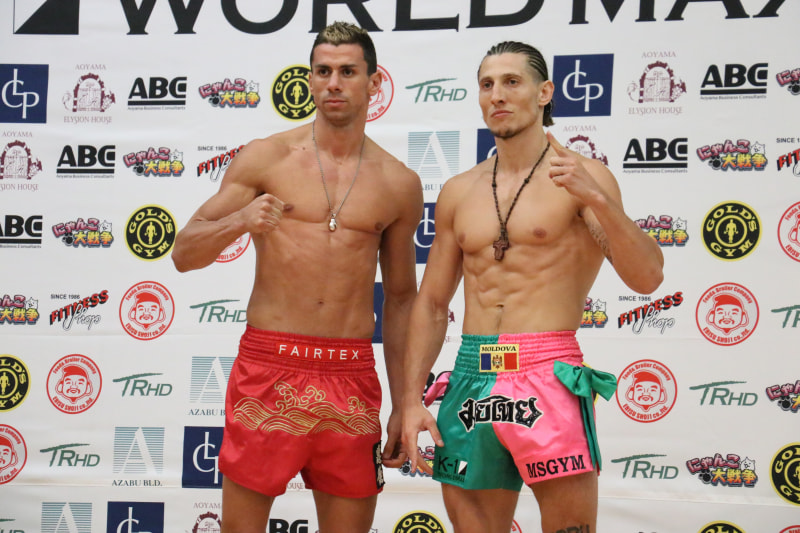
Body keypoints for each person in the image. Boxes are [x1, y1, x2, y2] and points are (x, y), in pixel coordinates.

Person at [401, 41, 664, 533]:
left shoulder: (584, 178)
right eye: (487, 84)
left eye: (511, 82)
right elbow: (433, 303)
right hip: (472, 373)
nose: (497, 95)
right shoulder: (459, 190)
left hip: (547, 371)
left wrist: (597, 199)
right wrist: (410, 400)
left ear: (545, 93)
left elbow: (647, 278)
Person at [172, 22, 422, 533]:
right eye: (322, 71)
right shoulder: (267, 157)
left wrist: (406, 402)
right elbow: (183, 252)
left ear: (374, 82)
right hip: (269, 367)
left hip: (350, 374)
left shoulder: (398, 182)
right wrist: (240, 221)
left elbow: (400, 300)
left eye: (348, 71)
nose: (334, 83)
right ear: (309, 79)